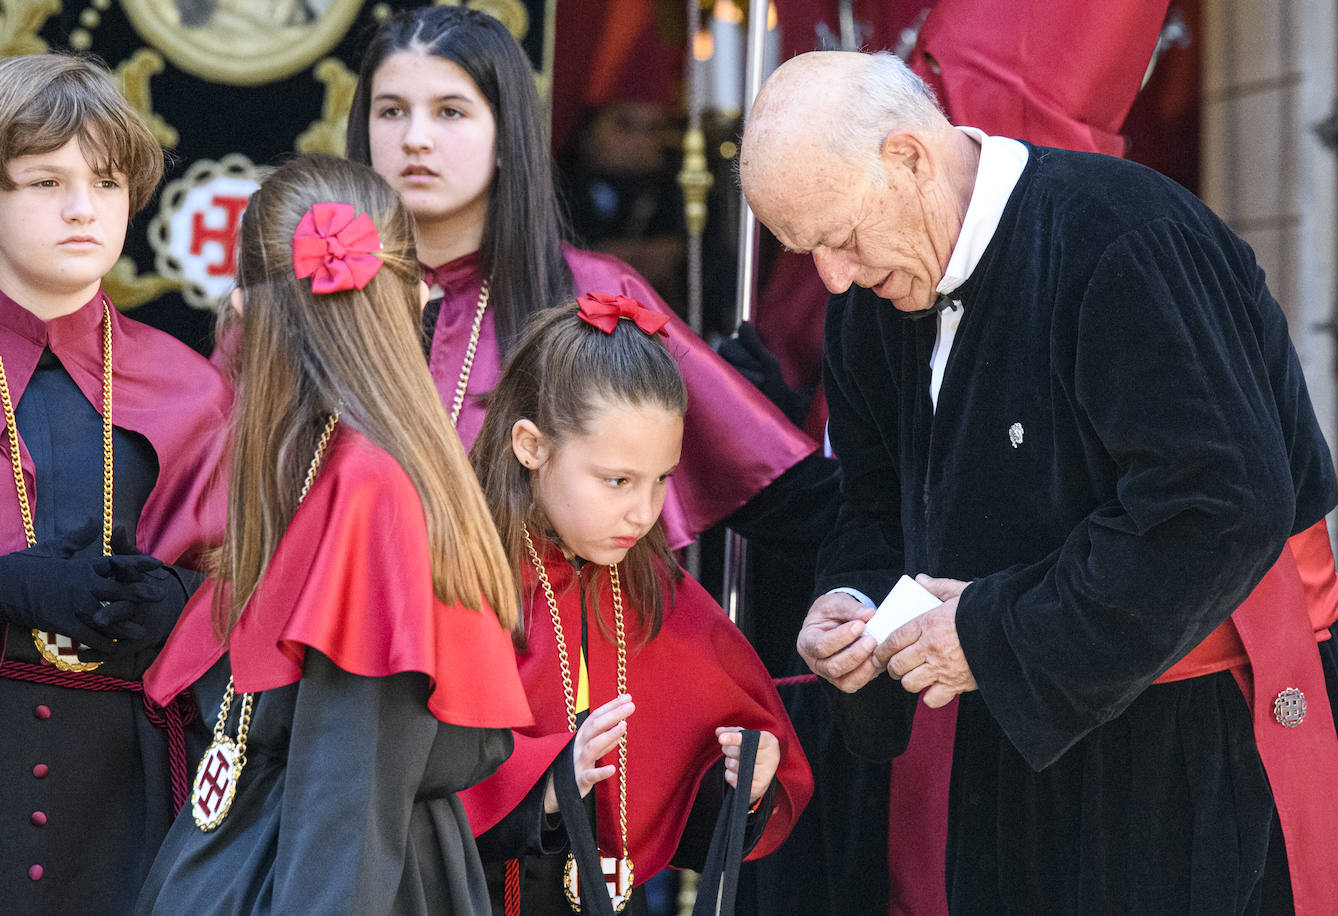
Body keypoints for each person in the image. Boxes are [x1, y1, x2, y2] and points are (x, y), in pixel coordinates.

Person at [739, 50, 1338, 913]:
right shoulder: (868, 308)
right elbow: (872, 507)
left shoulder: (1125, 238)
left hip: (1197, 733)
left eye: (840, 237)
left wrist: (995, 636)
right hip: (1015, 732)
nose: (834, 279)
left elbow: (1221, 506)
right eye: (808, 252)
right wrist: (854, 604)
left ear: (910, 156)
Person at [136, 154, 533, 915]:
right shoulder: (324, 455)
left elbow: (349, 789)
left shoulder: (369, 486)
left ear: (248, 308)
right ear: (412, 297)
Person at [343, 4, 817, 551]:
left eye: (450, 112)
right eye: (392, 111)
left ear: (507, 133)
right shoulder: (312, 294)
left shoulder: (597, 293)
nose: (415, 139)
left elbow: (781, 489)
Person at [458, 298, 813, 915]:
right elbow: (410, 787)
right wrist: (543, 783)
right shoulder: (459, 575)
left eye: (662, 479)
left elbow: (686, 791)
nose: (644, 512)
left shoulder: (652, 585)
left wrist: (741, 786)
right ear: (531, 445)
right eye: (618, 481)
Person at [0, 53, 232, 915]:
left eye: (104, 180)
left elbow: (258, 595)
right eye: (41, 180)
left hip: (131, 789)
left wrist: (188, 603)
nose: (80, 208)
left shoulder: (195, 389)